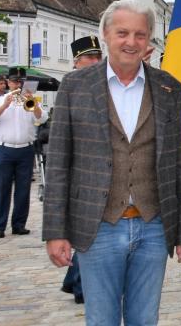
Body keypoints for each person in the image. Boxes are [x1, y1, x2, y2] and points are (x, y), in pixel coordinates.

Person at [43, 0, 181, 325]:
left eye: (140, 35)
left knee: (145, 320)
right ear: (105, 35)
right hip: (98, 226)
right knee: (102, 320)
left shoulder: (171, 89)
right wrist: (55, 231)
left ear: (149, 41)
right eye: (123, 33)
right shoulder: (75, 87)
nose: (131, 42)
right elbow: (57, 163)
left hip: (154, 226)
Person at [55, 35, 104, 305]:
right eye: (90, 58)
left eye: (98, 57)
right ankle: (79, 284)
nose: (96, 62)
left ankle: (76, 282)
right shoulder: (70, 87)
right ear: (77, 62)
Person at [0, 67, 47, 238]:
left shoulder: (30, 100)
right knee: (2, 188)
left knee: (23, 189)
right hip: (4, 148)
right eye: (14, 81)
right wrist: (5, 105)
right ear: (8, 83)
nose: (17, 84)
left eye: (20, 81)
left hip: (25, 149)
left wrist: (33, 104)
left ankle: (19, 224)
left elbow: (42, 118)